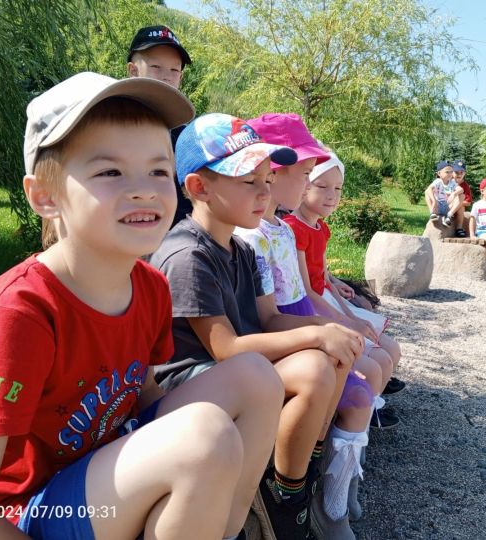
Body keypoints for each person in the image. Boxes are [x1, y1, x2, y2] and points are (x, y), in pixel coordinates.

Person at [0, 72, 285, 540]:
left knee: (255, 376)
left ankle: (223, 529)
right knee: (203, 435)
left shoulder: (150, 286)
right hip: (32, 511)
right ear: (44, 196)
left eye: (158, 169)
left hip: (104, 465)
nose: (145, 189)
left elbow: (145, 394)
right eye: (110, 171)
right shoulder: (15, 317)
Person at [148, 113, 365, 540]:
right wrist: (315, 334)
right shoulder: (188, 254)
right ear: (198, 187)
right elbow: (225, 347)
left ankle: (301, 477)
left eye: (268, 180)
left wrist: (328, 325)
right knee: (315, 366)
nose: (264, 193)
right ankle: (285, 496)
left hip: (239, 372)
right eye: (250, 182)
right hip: (192, 385)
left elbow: (268, 318)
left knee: (334, 354)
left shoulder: (243, 249)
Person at [234, 113, 377, 538]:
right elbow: (261, 316)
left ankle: (315, 483)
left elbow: (303, 288)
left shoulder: (278, 230)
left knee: (343, 366)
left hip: (292, 322)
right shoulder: (253, 236)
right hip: (275, 338)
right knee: (336, 375)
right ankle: (296, 492)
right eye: (306, 174)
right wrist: (323, 327)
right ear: (273, 173)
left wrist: (337, 320)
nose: (309, 184)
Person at [284, 150, 404, 429]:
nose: (332, 195)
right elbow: (307, 289)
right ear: (304, 188)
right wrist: (347, 319)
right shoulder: (294, 228)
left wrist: (340, 294)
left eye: (337, 188)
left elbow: (322, 275)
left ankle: (368, 410)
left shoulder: (320, 228)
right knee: (374, 354)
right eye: (322, 187)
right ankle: (356, 416)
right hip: (310, 305)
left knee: (388, 347)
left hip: (323, 297)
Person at [127, 24, 194, 226]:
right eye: (156, 67)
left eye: (174, 70)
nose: (166, 76)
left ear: (181, 78)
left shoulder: (186, 137)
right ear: (133, 70)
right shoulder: (111, 124)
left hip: (177, 246)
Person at [424, 160, 465, 236]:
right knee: (427, 192)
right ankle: (432, 213)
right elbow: (429, 189)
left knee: (462, 195)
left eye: (451, 172)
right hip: (437, 206)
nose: (449, 174)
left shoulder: (452, 183)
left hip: (447, 207)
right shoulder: (438, 181)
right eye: (447, 172)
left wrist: (454, 194)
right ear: (439, 173)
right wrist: (434, 201)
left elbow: (461, 190)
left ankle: (449, 216)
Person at [452, 159, 473, 237]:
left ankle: (459, 228)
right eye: (456, 172)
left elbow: (468, 202)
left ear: (464, 173)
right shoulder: (448, 182)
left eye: (461, 172)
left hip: (457, 208)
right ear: (452, 172)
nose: (459, 174)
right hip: (447, 205)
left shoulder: (465, 185)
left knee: (462, 207)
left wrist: (458, 203)